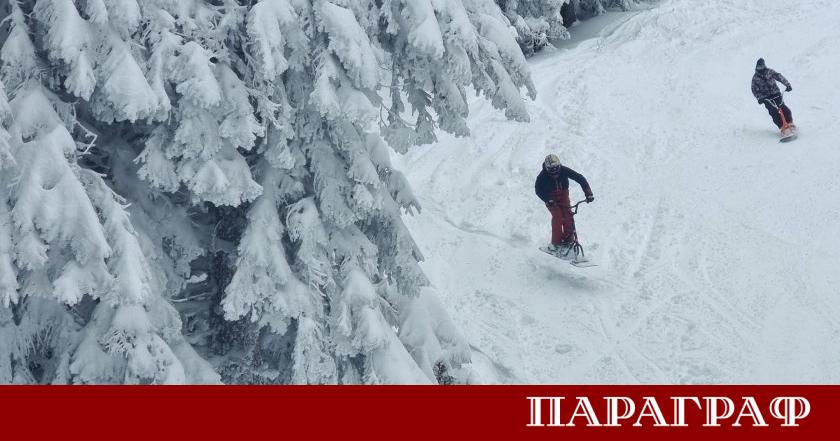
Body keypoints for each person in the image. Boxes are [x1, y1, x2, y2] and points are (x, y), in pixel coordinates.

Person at [534, 154, 594, 252]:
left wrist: (588, 193)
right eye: (551, 170)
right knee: (558, 216)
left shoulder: (564, 170)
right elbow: (538, 190)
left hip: (563, 195)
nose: (554, 172)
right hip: (551, 198)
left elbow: (580, 178)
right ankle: (555, 244)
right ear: (547, 168)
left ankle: (568, 241)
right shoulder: (542, 176)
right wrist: (548, 199)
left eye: (556, 169)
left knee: (568, 216)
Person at [751, 58, 794, 131]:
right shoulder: (755, 78)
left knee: (783, 108)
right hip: (766, 98)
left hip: (775, 93)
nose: (761, 68)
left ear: (764, 65)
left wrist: (787, 85)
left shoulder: (769, 71)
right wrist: (759, 98)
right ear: (757, 67)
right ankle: (782, 126)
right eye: (759, 67)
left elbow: (779, 77)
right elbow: (754, 89)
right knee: (773, 112)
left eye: (762, 66)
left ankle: (789, 123)